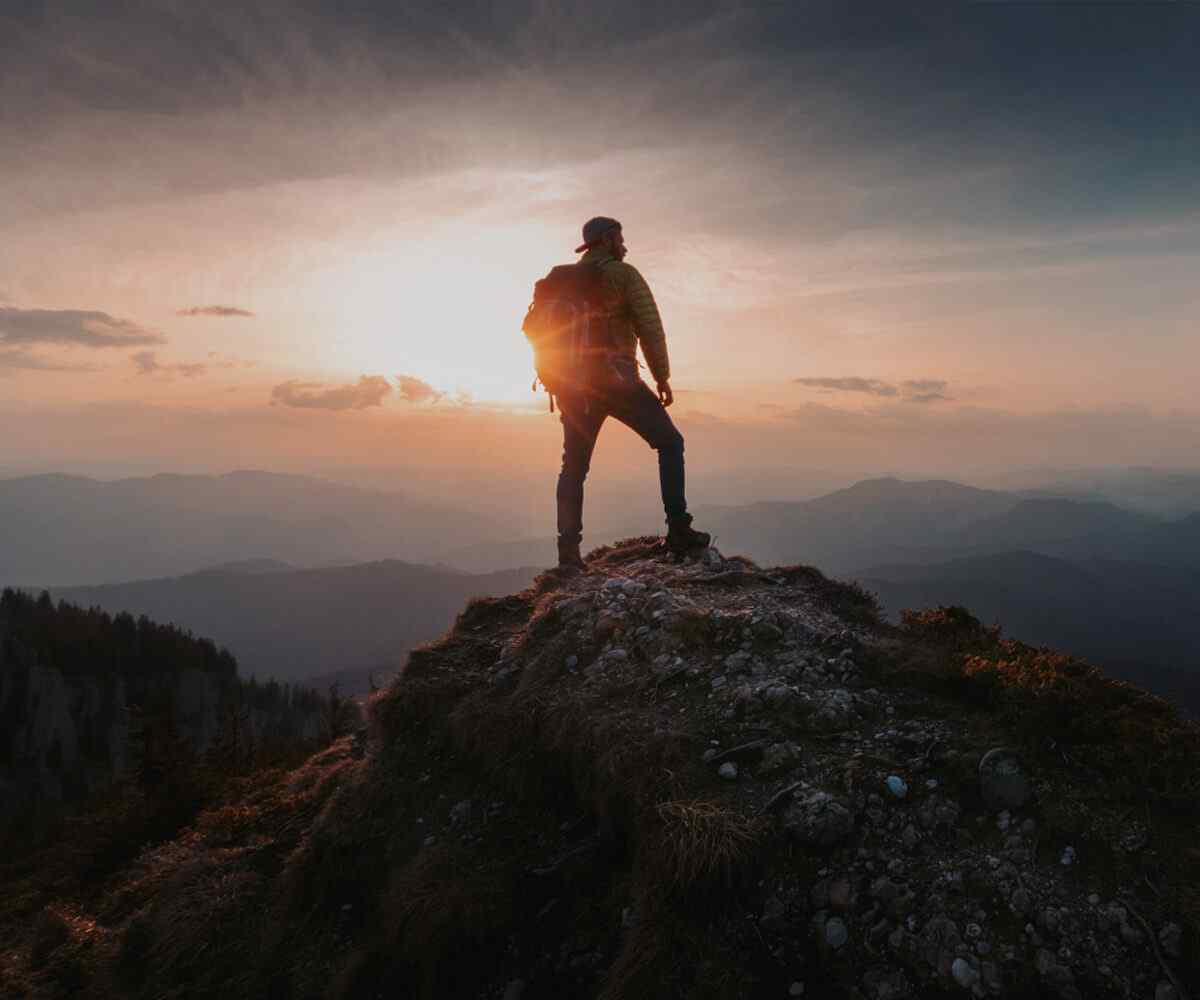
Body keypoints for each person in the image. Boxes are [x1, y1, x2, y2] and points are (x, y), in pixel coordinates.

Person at [554, 216, 711, 571]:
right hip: (616, 379)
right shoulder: (623, 275)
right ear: (608, 240)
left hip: (573, 386)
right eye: (620, 239)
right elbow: (650, 327)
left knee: (574, 466)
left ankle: (568, 553)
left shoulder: (562, 280)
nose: (624, 245)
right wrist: (662, 376)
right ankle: (679, 530)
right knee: (670, 443)